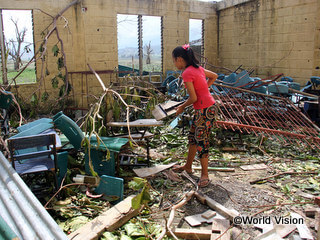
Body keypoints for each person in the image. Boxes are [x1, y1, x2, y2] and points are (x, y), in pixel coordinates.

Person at [172, 44, 218, 188]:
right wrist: (205, 89)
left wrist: (181, 107)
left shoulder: (187, 73)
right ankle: (188, 166)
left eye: (174, 60)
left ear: (180, 59)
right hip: (205, 107)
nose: (174, 63)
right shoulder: (198, 69)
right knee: (193, 137)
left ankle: (205, 175)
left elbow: (193, 98)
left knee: (201, 141)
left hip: (205, 109)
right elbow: (214, 76)